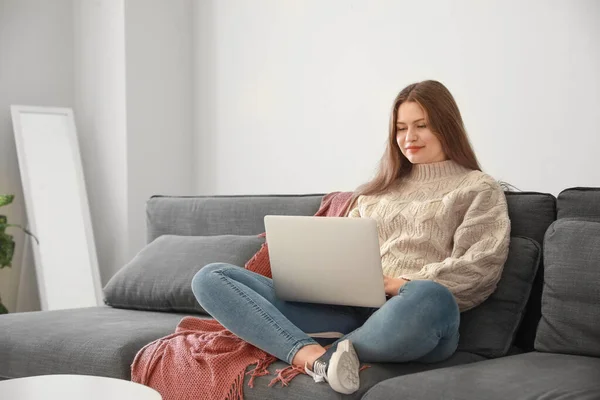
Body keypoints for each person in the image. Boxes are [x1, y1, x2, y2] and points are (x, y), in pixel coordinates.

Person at [191, 80, 511, 395]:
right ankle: (315, 358)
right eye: (400, 128)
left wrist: (392, 283)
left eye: (421, 125)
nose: (409, 138)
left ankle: (324, 347)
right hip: (342, 311)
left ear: (446, 126)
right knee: (211, 277)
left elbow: (479, 269)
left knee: (432, 296)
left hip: (409, 314)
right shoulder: (375, 193)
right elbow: (342, 253)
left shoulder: (477, 188)